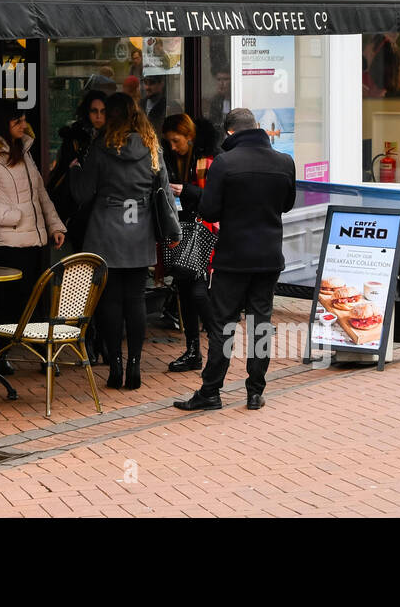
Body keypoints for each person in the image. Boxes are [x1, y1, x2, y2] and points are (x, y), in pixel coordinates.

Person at [174, 107, 295, 412]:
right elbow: (288, 204)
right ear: (256, 127)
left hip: (232, 258)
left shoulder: (225, 163)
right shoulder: (284, 161)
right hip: (268, 256)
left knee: (223, 325)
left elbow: (210, 210)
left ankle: (211, 391)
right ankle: (255, 391)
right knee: (260, 324)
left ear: (230, 133)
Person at [70, 92, 163, 390]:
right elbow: (163, 191)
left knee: (110, 301)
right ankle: (135, 364)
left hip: (105, 231)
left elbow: (83, 193)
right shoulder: (150, 146)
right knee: (136, 299)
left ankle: (116, 365)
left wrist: (74, 172)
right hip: (139, 228)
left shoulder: (101, 147)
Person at [0, 101, 67, 334]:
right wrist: (12, 216)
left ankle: (28, 350)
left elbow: (40, 194)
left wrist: (55, 225)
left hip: (35, 242)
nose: (24, 125)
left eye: (24, 119)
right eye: (18, 121)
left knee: (32, 301)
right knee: (7, 305)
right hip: (8, 243)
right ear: (4, 123)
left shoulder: (24, 151)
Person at [161, 112, 221, 373]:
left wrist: (186, 190)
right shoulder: (170, 159)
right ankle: (194, 351)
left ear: (190, 136)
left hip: (202, 229)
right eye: (169, 142)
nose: (173, 147)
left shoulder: (207, 160)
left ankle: (216, 344)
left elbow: (215, 198)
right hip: (180, 230)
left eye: (176, 141)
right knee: (185, 289)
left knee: (195, 290)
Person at [47, 90, 108, 250]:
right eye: (94, 111)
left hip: (106, 209)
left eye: (103, 111)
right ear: (87, 112)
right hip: (80, 208)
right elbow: (62, 174)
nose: (98, 116)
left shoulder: (114, 137)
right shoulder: (75, 138)